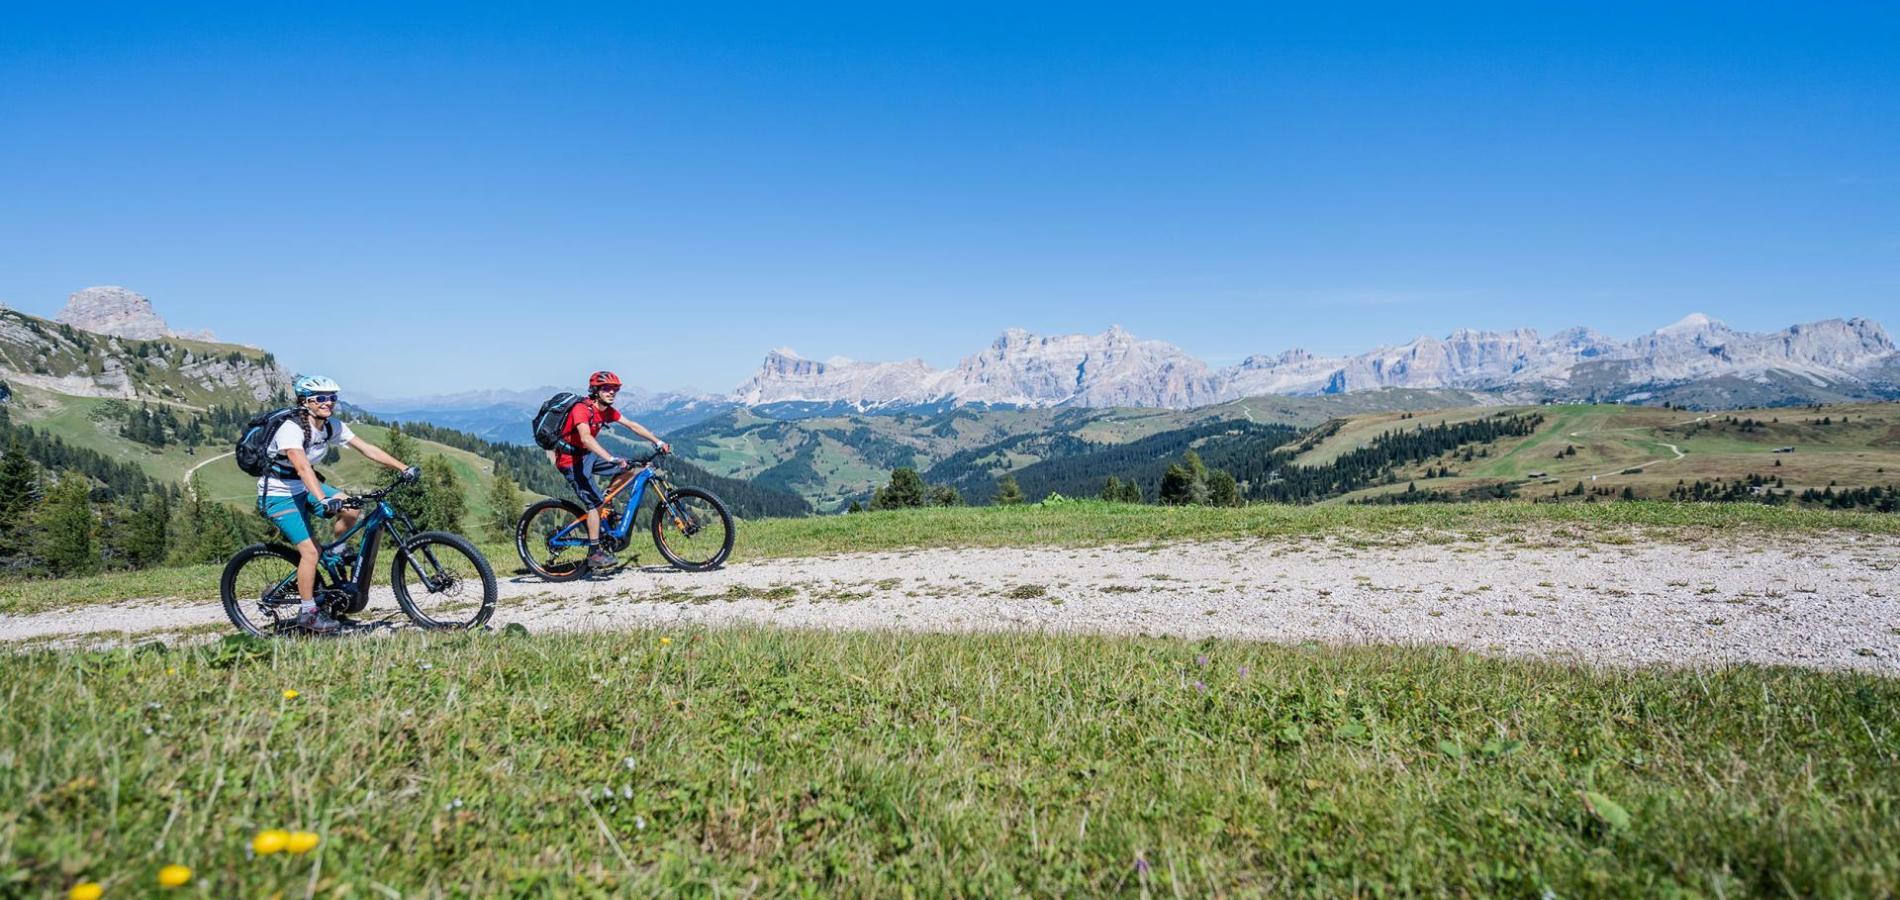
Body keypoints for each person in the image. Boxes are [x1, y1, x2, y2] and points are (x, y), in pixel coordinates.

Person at [257, 375, 418, 633]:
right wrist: (322, 499)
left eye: (332, 397)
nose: (328, 402)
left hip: (306, 486)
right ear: (305, 401)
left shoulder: (331, 426)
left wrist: (403, 468)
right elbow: (300, 466)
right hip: (279, 493)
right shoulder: (291, 428)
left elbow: (367, 448)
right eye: (321, 398)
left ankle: (337, 551)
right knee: (310, 552)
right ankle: (308, 612)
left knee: (352, 507)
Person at [556, 370, 669, 570]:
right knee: (595, 503)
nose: (612, 392)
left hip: (587, 455)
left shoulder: (606, 411)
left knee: (629, 466)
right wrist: (610, 458)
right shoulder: (581, 409)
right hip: (571, 460)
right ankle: (594, 553)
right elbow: (585, 438)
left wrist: (657, 441)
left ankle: (605, 504)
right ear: (595, 390)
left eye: (614, 389)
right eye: (607, 389)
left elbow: (632, 425)